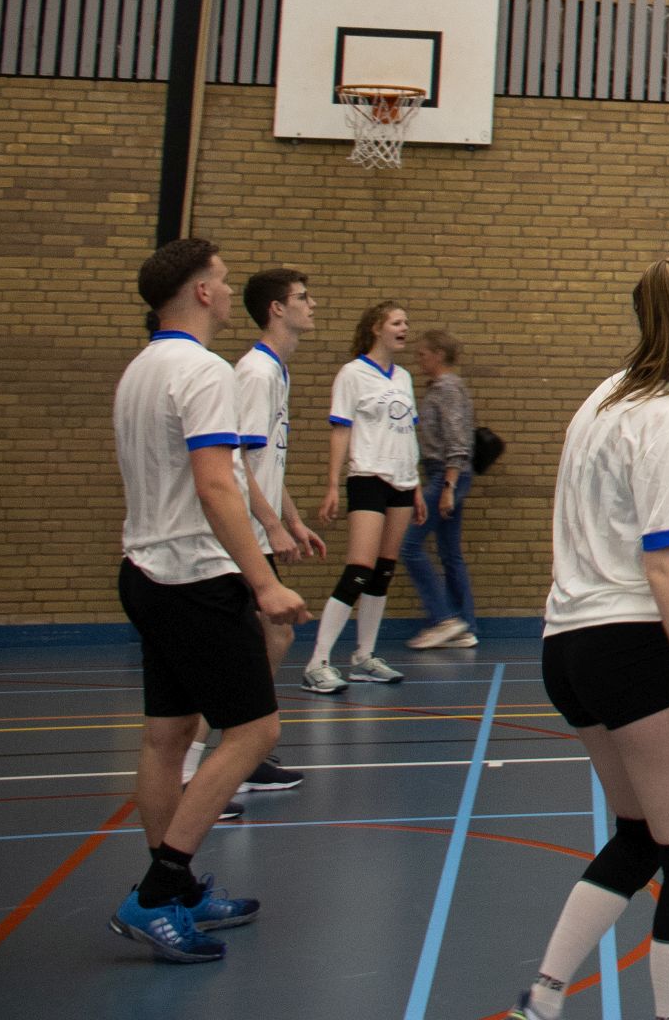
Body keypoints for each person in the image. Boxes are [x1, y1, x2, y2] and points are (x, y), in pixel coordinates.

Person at [504, 254, 669, 1020]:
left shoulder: (601, 399)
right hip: (630, 647)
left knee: (640, 836)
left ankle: (543, 998)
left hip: (567, 647)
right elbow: (665, 569)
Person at [109, 237, 311, 963]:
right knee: (254, 732)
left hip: (145, 571)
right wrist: (264, 580)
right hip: (194, 578)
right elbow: (216, 483)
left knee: (167, 739)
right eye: (222, 280)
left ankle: (182, 889)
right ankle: (158, 891)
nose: (228, 292)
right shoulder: (203, 369)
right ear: (200, 291)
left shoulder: (141, 369)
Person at [188, 267, 327, 800]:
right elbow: (235, 462)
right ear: (277, 308)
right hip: (240, 535)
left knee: (272, 639)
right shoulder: (256, 373)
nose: (312, 305)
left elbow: (266, 461)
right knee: (247, 651)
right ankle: (201, 766)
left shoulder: (276, 371)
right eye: (302, 297)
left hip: (261, 529)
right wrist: (269, 524)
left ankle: (242, 753)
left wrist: (291, 519)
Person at [306, 302, 425, 692]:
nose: (404, 328)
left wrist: (416, 486)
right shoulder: (352, 374)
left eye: (406, 323)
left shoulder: (404, 377)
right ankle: (317, 662)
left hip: (403, 481)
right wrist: (331, 484)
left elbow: (407, 433)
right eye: (397, 322)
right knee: (359, 569)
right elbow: (340, 430)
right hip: (368, 477)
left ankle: (363, 657)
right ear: (376, 328)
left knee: (383, 571)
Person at [402, 327, 479, 650]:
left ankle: (444, 618)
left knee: (408, 545)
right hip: (447, 474)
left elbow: (457, 440)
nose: (419, 359)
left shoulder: (447, 388)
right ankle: (464, 627)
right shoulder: (440, 388)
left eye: (422, 354)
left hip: (447, 474)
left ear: (438, 355)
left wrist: (448, 486)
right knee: (449, 552)